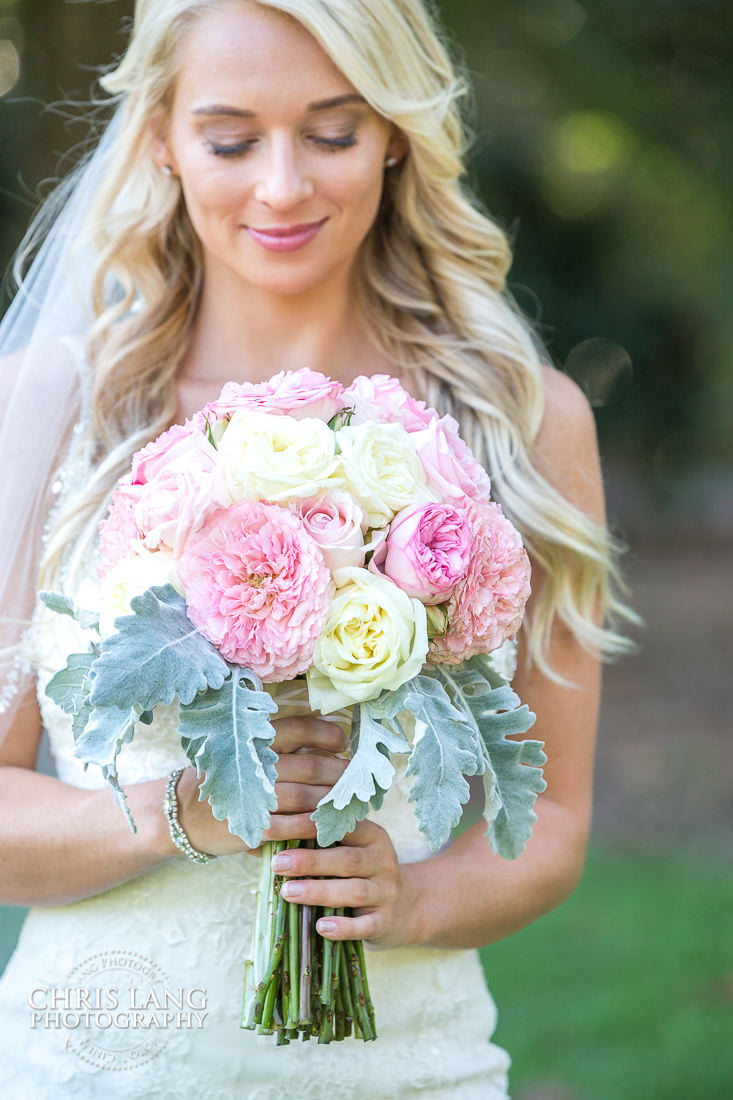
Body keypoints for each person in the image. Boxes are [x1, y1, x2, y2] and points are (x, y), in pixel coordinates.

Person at [0, 1, 635, 1096]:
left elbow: (556, 818)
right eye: (231, 138)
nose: (283, 185)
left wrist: (417, 899)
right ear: (160, 135)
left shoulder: (519, 422)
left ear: (395, 131)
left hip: (405, 1064)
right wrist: (181, 813)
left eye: (332, 132)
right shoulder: (64, 405)